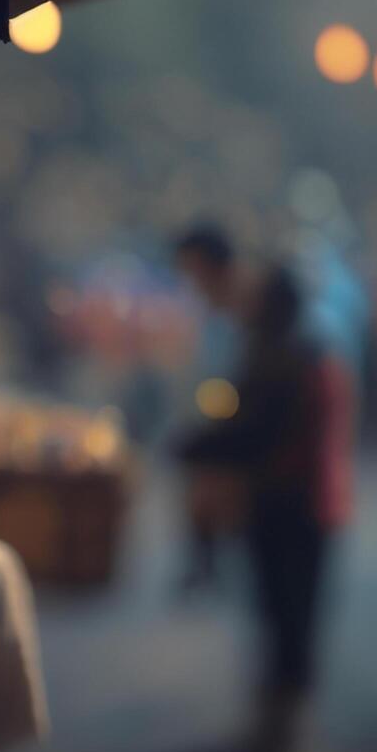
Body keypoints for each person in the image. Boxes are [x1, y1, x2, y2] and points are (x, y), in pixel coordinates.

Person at [176, 267, 350, 752]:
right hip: (305, 500)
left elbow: (255, 432)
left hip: (289, 502)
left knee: (286, 613)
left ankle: (280, 727)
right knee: (289, 613)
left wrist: (195, 446)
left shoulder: (282, 356)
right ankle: (281, 721)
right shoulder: (304, 349)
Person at [172, 226, 246, 591]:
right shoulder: (205, 304)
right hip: (208, 410)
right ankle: (204, 561)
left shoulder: (237, 305)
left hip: (228, 415)